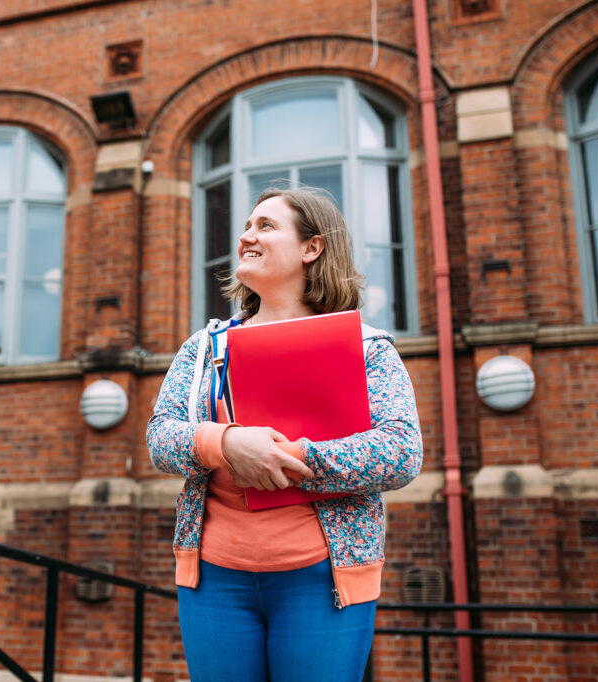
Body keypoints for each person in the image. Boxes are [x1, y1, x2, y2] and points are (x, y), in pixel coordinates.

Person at [146, 184, 422, 681]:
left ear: (312, 248)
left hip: (321, 581)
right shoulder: (205, 348)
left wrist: (288, 457)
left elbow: (401, 451)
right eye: (247, 226)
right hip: (215, 581)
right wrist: (227, 444)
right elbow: (161, 438)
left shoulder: (366, 348)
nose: (247, 236)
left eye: (265, 226)